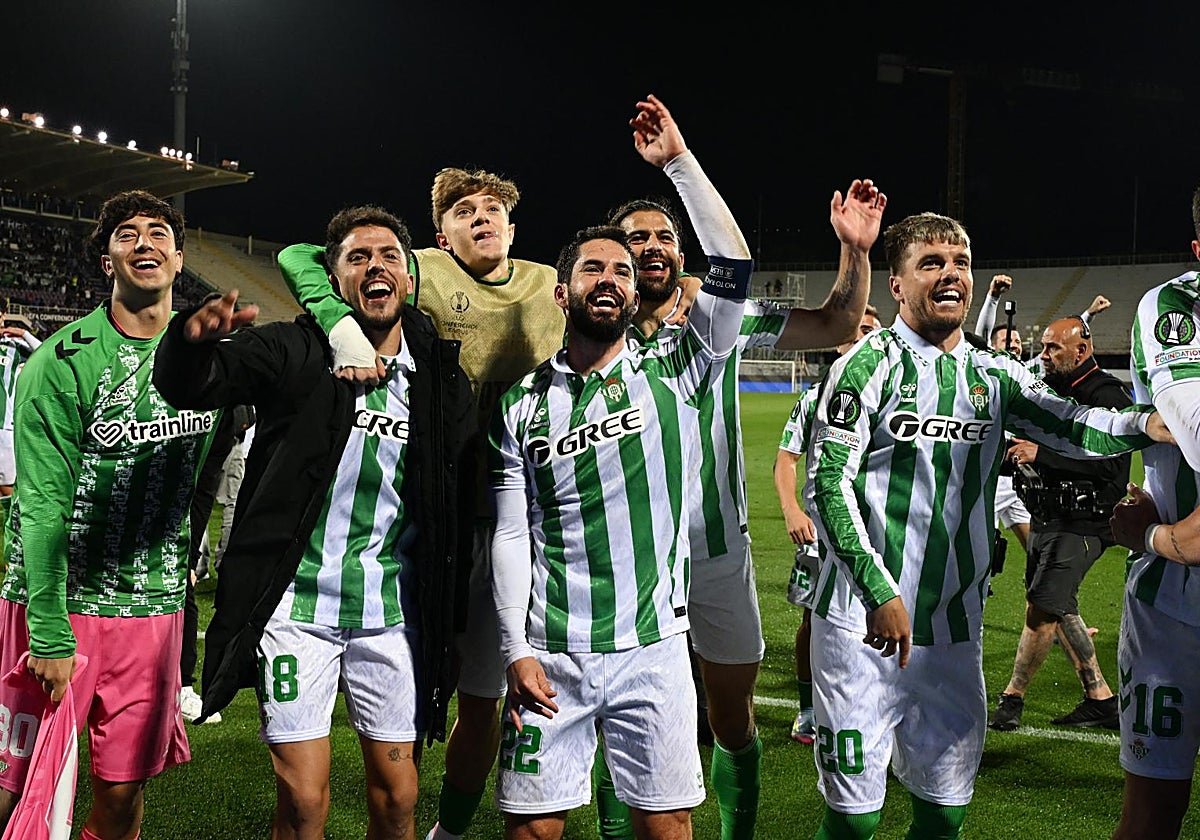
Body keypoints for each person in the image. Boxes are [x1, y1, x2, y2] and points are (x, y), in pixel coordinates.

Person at [802, 211, 1171, 840]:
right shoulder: (865, 367)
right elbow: (826, 485)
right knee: (854, 821)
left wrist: (1144, 425)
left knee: (945, 809)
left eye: (961, 263)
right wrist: (878, 590)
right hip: (861, 628)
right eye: (931, 263)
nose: (951, 275)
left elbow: (1071, 424)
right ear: (897, 284)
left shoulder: (993, 375)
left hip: (954, 629)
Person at [590, 95, 886, 840]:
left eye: (664, 236)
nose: (653, 246)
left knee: (732, 717)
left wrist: (855, 252)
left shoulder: (715, 321)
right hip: (628, 559)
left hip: (717, 552)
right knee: (622, 723)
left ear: (679, 253)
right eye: (636, 238)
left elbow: (837, 322)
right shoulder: (587, 333)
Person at [154, 205, 475, 839]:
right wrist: (190, 343)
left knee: (399, 799)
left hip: (392, 614)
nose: (375, 266)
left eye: (388, 256)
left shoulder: (438, 380)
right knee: (303, 801)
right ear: (333, 279)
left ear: (409, 277)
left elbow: (459, 494)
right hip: (297, 611)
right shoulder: (296, 348)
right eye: (358, 257)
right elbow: (199, 382)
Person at [278, 168, 562, 840]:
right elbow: (298, 255)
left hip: (530, 512)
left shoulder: (550, 281)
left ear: (513, 226)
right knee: (452, 682)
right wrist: (339, 325)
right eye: (464, 211)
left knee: (513, 692)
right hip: (446, 513)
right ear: (438, 236)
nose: (481, 218)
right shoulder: (424, 271)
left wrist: (683, 288)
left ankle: (455, 830)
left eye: (492, 209)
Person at [490, 213, 748, 840]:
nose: (609, 279)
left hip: (653, 647)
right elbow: (512, 534)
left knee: (667, 827)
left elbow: (733, 265)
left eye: (622, 272)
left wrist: (678, 167)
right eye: (593, 269)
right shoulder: (520, 403)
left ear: (636, 296)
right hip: (551, 651)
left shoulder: (677, 370)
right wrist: (515, 650)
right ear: (563, 293)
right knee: (531, 831)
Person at [0, 190, 219, 839]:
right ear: (106, 263)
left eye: (159, 232)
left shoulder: (213, 362)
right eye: (127, 233)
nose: (144, 242)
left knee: (123, 797)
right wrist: (47, 631)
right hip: (58, 602)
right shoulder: (60, 361)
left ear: (180, 258)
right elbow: (41, 502)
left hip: (151, 609)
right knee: (11, 787)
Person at [1105, 187, 1200, 840]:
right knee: (1151, 816)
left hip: (1168, 552)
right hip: (1172, 614)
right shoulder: (1174, 309)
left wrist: (1159, 537)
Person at [988, 317, 1130, 733]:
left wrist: (1043, 455)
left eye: (1053, 348)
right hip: (1049, 514)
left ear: (1081, 351)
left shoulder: (1106, 395)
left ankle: (1012, 698)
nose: (1044, 355)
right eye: (1045, 347)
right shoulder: (1052, 391)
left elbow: (1110, 468)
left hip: (1085, 521)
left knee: (1043, 607)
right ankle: (1100, 698)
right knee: (1056, 603)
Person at [774, 306, 882, 747]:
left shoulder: (896, 393)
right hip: (821, 533)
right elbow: (786, 460)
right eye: (855, 330)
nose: (862, 337)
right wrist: (791, 510)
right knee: (813, 618)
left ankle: (875, 702)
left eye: (871, 330)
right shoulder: (815, 397)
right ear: (838, 342)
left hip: (879, 533)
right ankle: (807, 709)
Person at [0, 318, 41, 502]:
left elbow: (49, 354)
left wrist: (23, 334)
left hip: (3, 426)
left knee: (7, 484)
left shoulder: (14, 346)